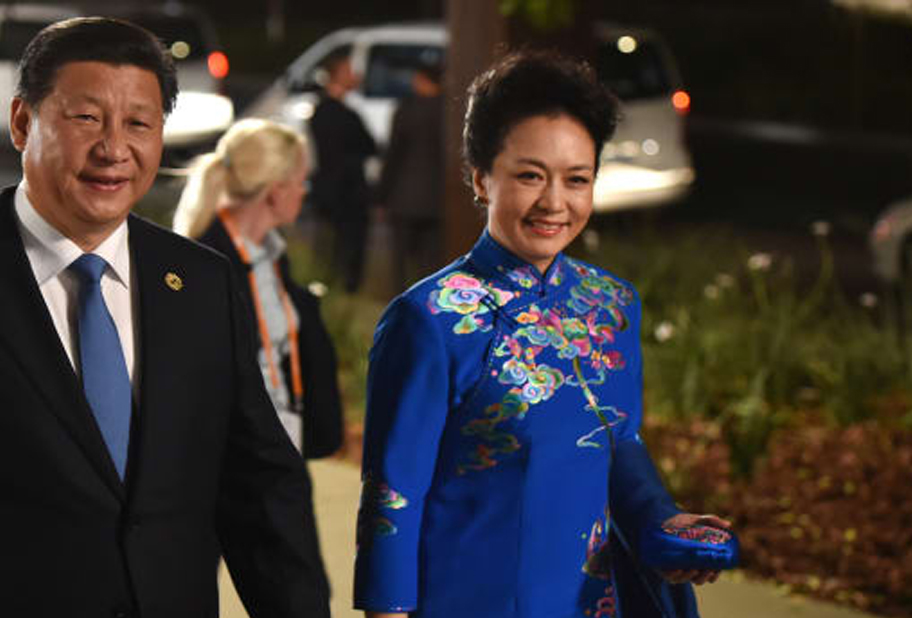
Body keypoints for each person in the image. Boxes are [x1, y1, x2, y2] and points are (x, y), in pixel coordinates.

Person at [0, 17, 330, 618]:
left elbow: (260, 485)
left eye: (139, 123)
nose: (114, 149)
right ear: (22, 122)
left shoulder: (201, 282)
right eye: (87, 118)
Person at [353, 50, 730, 618]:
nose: (555, 202)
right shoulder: (429, 318)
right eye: (530, 176)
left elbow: (619, 443)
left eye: (577, 180)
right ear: (482, 178)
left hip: (595, 603)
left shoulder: (612, 305)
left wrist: (665, 521)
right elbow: (392, 496)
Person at [173, 119, 344, 459]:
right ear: (276, 191)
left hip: (280, 446)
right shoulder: (204, 264)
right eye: (301, 181)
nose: (305, 191)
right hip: (234, 458)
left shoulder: (273, 257)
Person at [308, 48, 377, 293]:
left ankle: (330, 285)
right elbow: (369, 146)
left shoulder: (319, 111)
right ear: (336, 75)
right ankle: (345, 288)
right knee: (347, 246)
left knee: (330, 246)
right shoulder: (345, 114)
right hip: (349, 190)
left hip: (329, 188)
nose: (356, 75)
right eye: (349, 71)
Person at [378, 56, 445, 288]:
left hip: (403, 195)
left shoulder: (406, 109)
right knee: (432, 259)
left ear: (420, 80)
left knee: (401, 260)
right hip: (436, 196)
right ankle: (429, 300)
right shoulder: (449, 111)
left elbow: (393, 155)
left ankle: (399, 299)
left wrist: (381, 195)